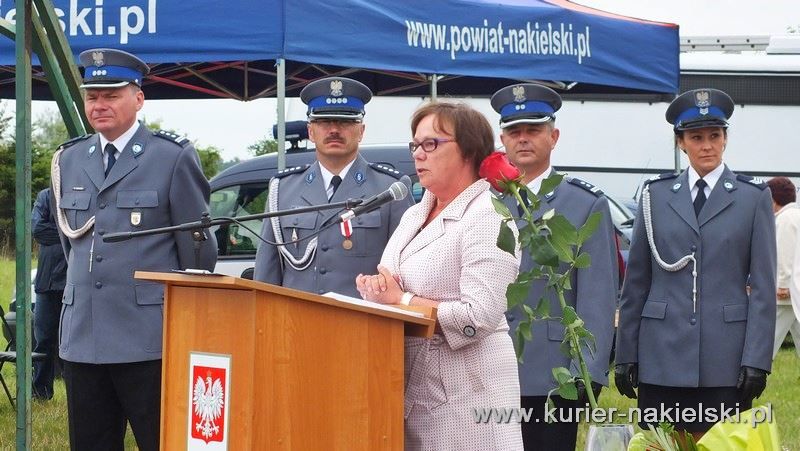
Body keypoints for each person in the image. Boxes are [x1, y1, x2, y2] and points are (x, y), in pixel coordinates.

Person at [52, 48, 217, 450]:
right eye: (92, 96)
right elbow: (70, 243)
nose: (99, 104)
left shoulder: (172, 157)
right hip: (84, 337)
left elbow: (197, 255)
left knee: (161, 442)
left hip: (148, 340)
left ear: (138, 98)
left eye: (111, 95)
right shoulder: (70, 158)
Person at [355, 102, 523, 449]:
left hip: (469, 396)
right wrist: (376, 289)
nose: (419, 155)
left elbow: (479, 316)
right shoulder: (416, 213)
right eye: (415, 145)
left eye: (431, 144)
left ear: (469, 150)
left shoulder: (489, 215)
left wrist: (400, 299)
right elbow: (393, 279)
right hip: (415, 391)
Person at [615, 88, 776, 439]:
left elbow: (763, 288)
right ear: (680, 143)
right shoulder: (654, 196)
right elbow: (637, 282)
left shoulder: (753, 198)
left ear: (726, 139)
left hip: (725, 358)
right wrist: (626, 352)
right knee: (659, 445)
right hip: (660, 356)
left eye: (714, 136)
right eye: (696, 137)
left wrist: (757, 360)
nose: (707, 145)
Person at [490, 84, 618, 450]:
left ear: (553, 136)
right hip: (488, 368)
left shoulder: (582, 203)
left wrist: (589, 369)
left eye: (533, 130)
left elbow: (597, 294)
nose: (523, 139)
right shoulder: (485, 201)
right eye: (515, 131)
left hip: (551, 371)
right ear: (503, 138)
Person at [254, 77, 414, 297]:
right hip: (294, 324)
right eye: (324, 121)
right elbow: (267, 275)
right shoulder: (282, 190)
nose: (334, 129)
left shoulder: (391, 190)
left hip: (365, 325)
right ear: (311, 131)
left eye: (345, 121)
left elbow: (408, 274)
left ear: (361, 130)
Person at [31, 187, 67, 400]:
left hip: (73, 280)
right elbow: (37, 229)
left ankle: (77, 393)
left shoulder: (83, 193)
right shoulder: (45, 196)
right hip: (46, 281)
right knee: (43, 339)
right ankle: (40, 391)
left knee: (72, 342)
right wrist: (70, 233)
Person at [767, 177, 800, 360]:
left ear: (772, 199)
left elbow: (786, 253)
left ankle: (748, 379)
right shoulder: (796, 215)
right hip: (795, 294)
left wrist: (783, 285)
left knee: (765, 344)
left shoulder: (785, 219)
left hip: (786, 296)